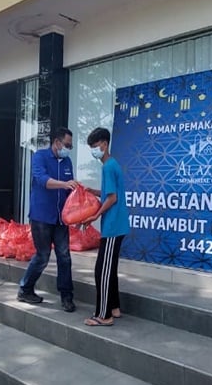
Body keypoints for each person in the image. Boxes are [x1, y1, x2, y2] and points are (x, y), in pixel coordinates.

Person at [17, 127, 78, 312]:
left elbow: (70, 190)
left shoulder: (67, 162)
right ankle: (25, 289)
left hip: (61, 220)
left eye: (71, 145)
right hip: (42, 217)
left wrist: (79, 205)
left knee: (65, 257)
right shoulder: (40, 157)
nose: (69, 148)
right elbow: (43, 180)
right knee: (42, 256)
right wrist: (64, 184)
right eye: (67, 145)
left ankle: (67, 297)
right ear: (57, 142)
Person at [83, 127, 130, 327]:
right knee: (109, 269)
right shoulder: (112, 165)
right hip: (117, 225)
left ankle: (103, 315)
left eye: (95, 147)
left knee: (101, 270)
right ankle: (115, 308)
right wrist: (92, 191)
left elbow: (112, 198)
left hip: (112, 226)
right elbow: (109, 192)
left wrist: (94, 215)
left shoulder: (108, 167)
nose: (94, 151)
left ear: (104, 143)